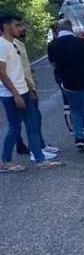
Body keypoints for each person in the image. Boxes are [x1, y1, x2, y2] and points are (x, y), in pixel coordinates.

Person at [0, 12, 62, 172]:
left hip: (24, 91)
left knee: (32, 125)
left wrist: (29, 86)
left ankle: (40, 159)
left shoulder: (13, 43)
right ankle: (5, 161)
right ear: (6, 26)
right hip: (11, 95)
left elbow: (18, 69)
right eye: (18, 25)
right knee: (14, 128)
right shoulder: (1, 45)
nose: (22, 28)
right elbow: (1, 72)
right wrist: (15, 94)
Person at [48, 19, 84, 152]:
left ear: (58, 29)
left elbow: (53, 63)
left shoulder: (53, 45)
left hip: (67, 84)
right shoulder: (82, 43)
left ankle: (79, 140)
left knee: (75, 111)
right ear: (71, 27)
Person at [14, 28, 59, 161]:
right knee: (29, 120)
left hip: (27, 85)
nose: (22, 28)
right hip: (23, 88)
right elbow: (15, 69)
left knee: (35, 117)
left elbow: (23, 66)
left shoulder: (17, 43)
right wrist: (30, 88)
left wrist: (30, 73)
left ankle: (40, 145)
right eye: (18, 25)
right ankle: (35, 151)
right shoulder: (10, 45)